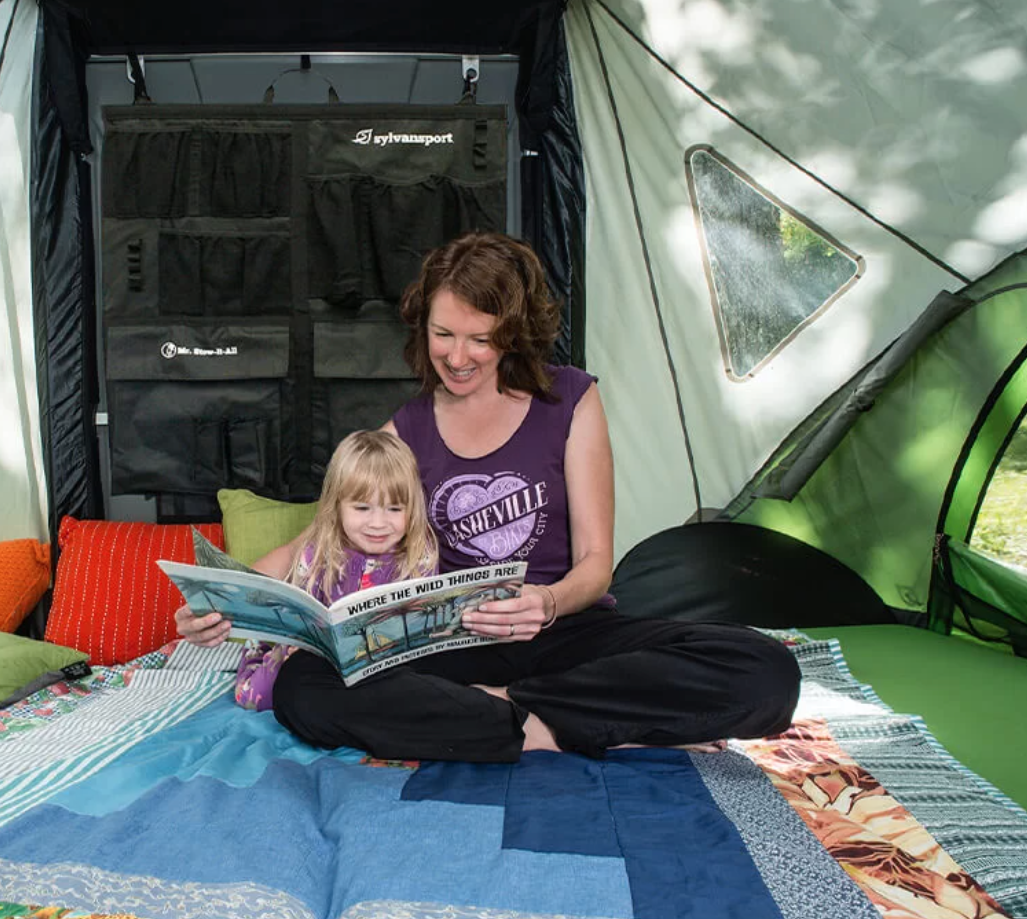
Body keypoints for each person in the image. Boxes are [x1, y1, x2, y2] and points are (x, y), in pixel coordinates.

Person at [177, 231, 800, 761]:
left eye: (481, 337)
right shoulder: (408, 427)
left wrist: (546, 603)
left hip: (563, 631)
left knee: (764, 669)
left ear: (515, 333)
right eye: (443, 334)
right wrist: (226, 603)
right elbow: (315, 543)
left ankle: (506, 718)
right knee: (303, 687)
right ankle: (559, 727)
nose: (457, 355)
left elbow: (595, 564)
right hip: (447, 644)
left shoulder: (572, 400)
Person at [233, 429, 438, 711]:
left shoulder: (420, 553)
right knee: (255, 696)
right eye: (363, 507)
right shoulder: (318, 551)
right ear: (337, 505)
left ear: (412, 509)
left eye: (394, 509)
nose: (378, 523)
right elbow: (300, 622)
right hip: (313, 655)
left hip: (386, 660)